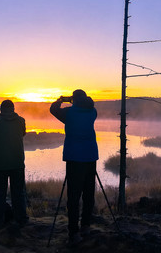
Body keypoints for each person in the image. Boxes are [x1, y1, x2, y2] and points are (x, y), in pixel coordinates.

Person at [50, 89, 98, 245]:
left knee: (73, 197)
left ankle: (73, 232)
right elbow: (84, 108)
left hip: (74, 159)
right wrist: (72, 100)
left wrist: (61, 100)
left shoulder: (69, 114)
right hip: (90, 158)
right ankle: (86, 227)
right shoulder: (93, 112)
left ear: (74, 99)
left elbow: (53, 110)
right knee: (88, 193)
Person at [0, 99, 28, 229]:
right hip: (17, 163)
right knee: (18, 193)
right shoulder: (21, 121)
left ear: (1, 109)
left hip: (0, 164)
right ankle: (21, 220)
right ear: (13, 109)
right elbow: (23, 133)